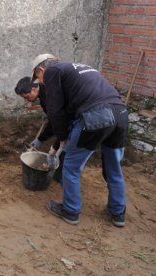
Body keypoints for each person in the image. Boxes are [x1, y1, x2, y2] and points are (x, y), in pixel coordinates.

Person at [31, 53, 129, 227]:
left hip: (96, 116)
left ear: (41, 69)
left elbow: (55, 110)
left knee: (71, 168)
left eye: (38, 77)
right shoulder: (78, 67)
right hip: (120, 114)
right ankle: (118, 213)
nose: (40, 81)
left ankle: (70, 211)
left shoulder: (52, 71)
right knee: (114, 168)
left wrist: (62, 139)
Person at [15, 75, 64, 182]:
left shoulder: (49, 97)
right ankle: (58, 175)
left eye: (26, 96)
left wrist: (49, 144)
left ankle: (61, 178)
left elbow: (58, 124)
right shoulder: (44, 93)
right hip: (66, 123)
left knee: (64, 153)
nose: (27, 100)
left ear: (34, 89)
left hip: (77, 124)